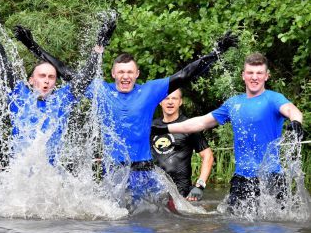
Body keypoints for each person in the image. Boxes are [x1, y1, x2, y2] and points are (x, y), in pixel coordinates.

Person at [20, 25, 238, 203]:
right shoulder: (100, 91)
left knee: (169, 217)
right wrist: (32, 45)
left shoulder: (150, 91)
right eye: (121, 72)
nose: (125, 76)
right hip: (115, 174)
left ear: (137, 74)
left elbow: (185, 75)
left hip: (146, 173)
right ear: (113, 73)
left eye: (130, 72)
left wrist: (215, 54)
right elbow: (64, 70)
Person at [0, 0, 115, 165]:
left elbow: (85, 77)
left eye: (51, 77)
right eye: (42, 76)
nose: (47, 80)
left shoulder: (62, 99)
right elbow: (3, 64)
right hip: (20, 177)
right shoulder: (18, 96)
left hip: (49, 176)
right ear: (30, 80)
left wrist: (99, 46)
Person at [152, 52, 304, 211]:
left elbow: (291, 110)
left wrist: (296, 122)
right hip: (242, 179)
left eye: (259, 73)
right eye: (250, 73)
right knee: (235, 228)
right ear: (243, 75)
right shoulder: (233, 103)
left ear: (266, 76)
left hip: (271, 177)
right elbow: (201, 122)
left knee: (276, 229)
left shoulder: (274, 98)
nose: (254, 77)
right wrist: (164, 128)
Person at [150, 88, 214, 201]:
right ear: (160, 102)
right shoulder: (152, 126)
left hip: (181, 193)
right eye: (166, 98)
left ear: (180, 102)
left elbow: (207, 156)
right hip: (154, 190)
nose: (170, 102)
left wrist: (200, 186)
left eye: (174, 98)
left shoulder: (189, 125)